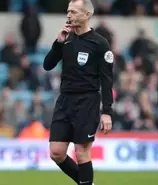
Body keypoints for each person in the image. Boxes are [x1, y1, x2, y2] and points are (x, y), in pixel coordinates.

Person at [43, 0, 113, 185]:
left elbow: (107, 79)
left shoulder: (99, 43)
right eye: (68, 11)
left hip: (87, 102)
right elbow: (47, 65)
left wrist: (107, 111)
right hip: (65, 100)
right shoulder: (66, 38)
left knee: (82, 153)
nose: (69, 15)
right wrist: (58, 43)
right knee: (56, 152)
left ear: (87, 15)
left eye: (73, 11)